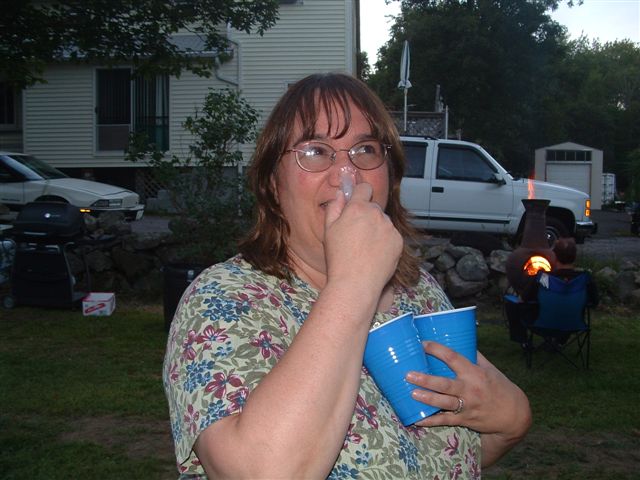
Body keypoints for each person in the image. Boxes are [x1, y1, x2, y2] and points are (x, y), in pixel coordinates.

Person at [163, 73, 531, 479]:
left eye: (365, 149)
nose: (346, 174)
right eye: (315, 151)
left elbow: (443, 452)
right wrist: (355, 283)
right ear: (273, 185)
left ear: (390, 176)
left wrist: (510, 420)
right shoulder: (222, 299)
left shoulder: (419, 291)